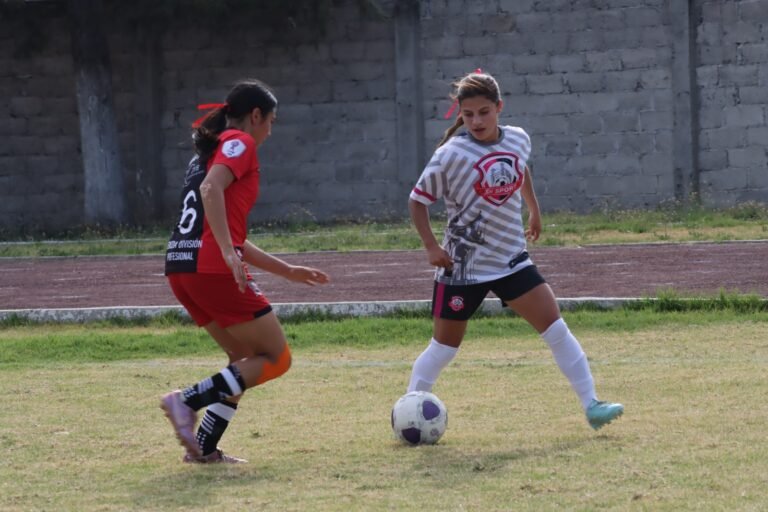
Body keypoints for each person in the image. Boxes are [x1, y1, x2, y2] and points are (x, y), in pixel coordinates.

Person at [406, 72, 623, 430]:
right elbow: (417, 201)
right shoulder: (449, 155)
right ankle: (409, 412)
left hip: (511, 260)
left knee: (556, 329)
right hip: (462, 267)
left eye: (484, 112)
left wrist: (534, 208)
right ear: (459, 113)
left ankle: (592, 405)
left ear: (499, 108)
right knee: (444, 348)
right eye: (469, 113)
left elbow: (520, 170)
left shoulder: (519, 139)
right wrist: (431, 246)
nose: (476, 121)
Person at [161, 79, 330, 463]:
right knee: (276, 358)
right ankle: (185, 401)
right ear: (256, 116)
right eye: (271, 121)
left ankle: (203, 447)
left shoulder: (208, 151)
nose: (271, 130)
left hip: (181, 267)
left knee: (242, 358)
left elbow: (223, 227)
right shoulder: (239, 143)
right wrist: (226, 252)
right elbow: (211, 192)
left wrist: (286, 270)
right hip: (210, 267)